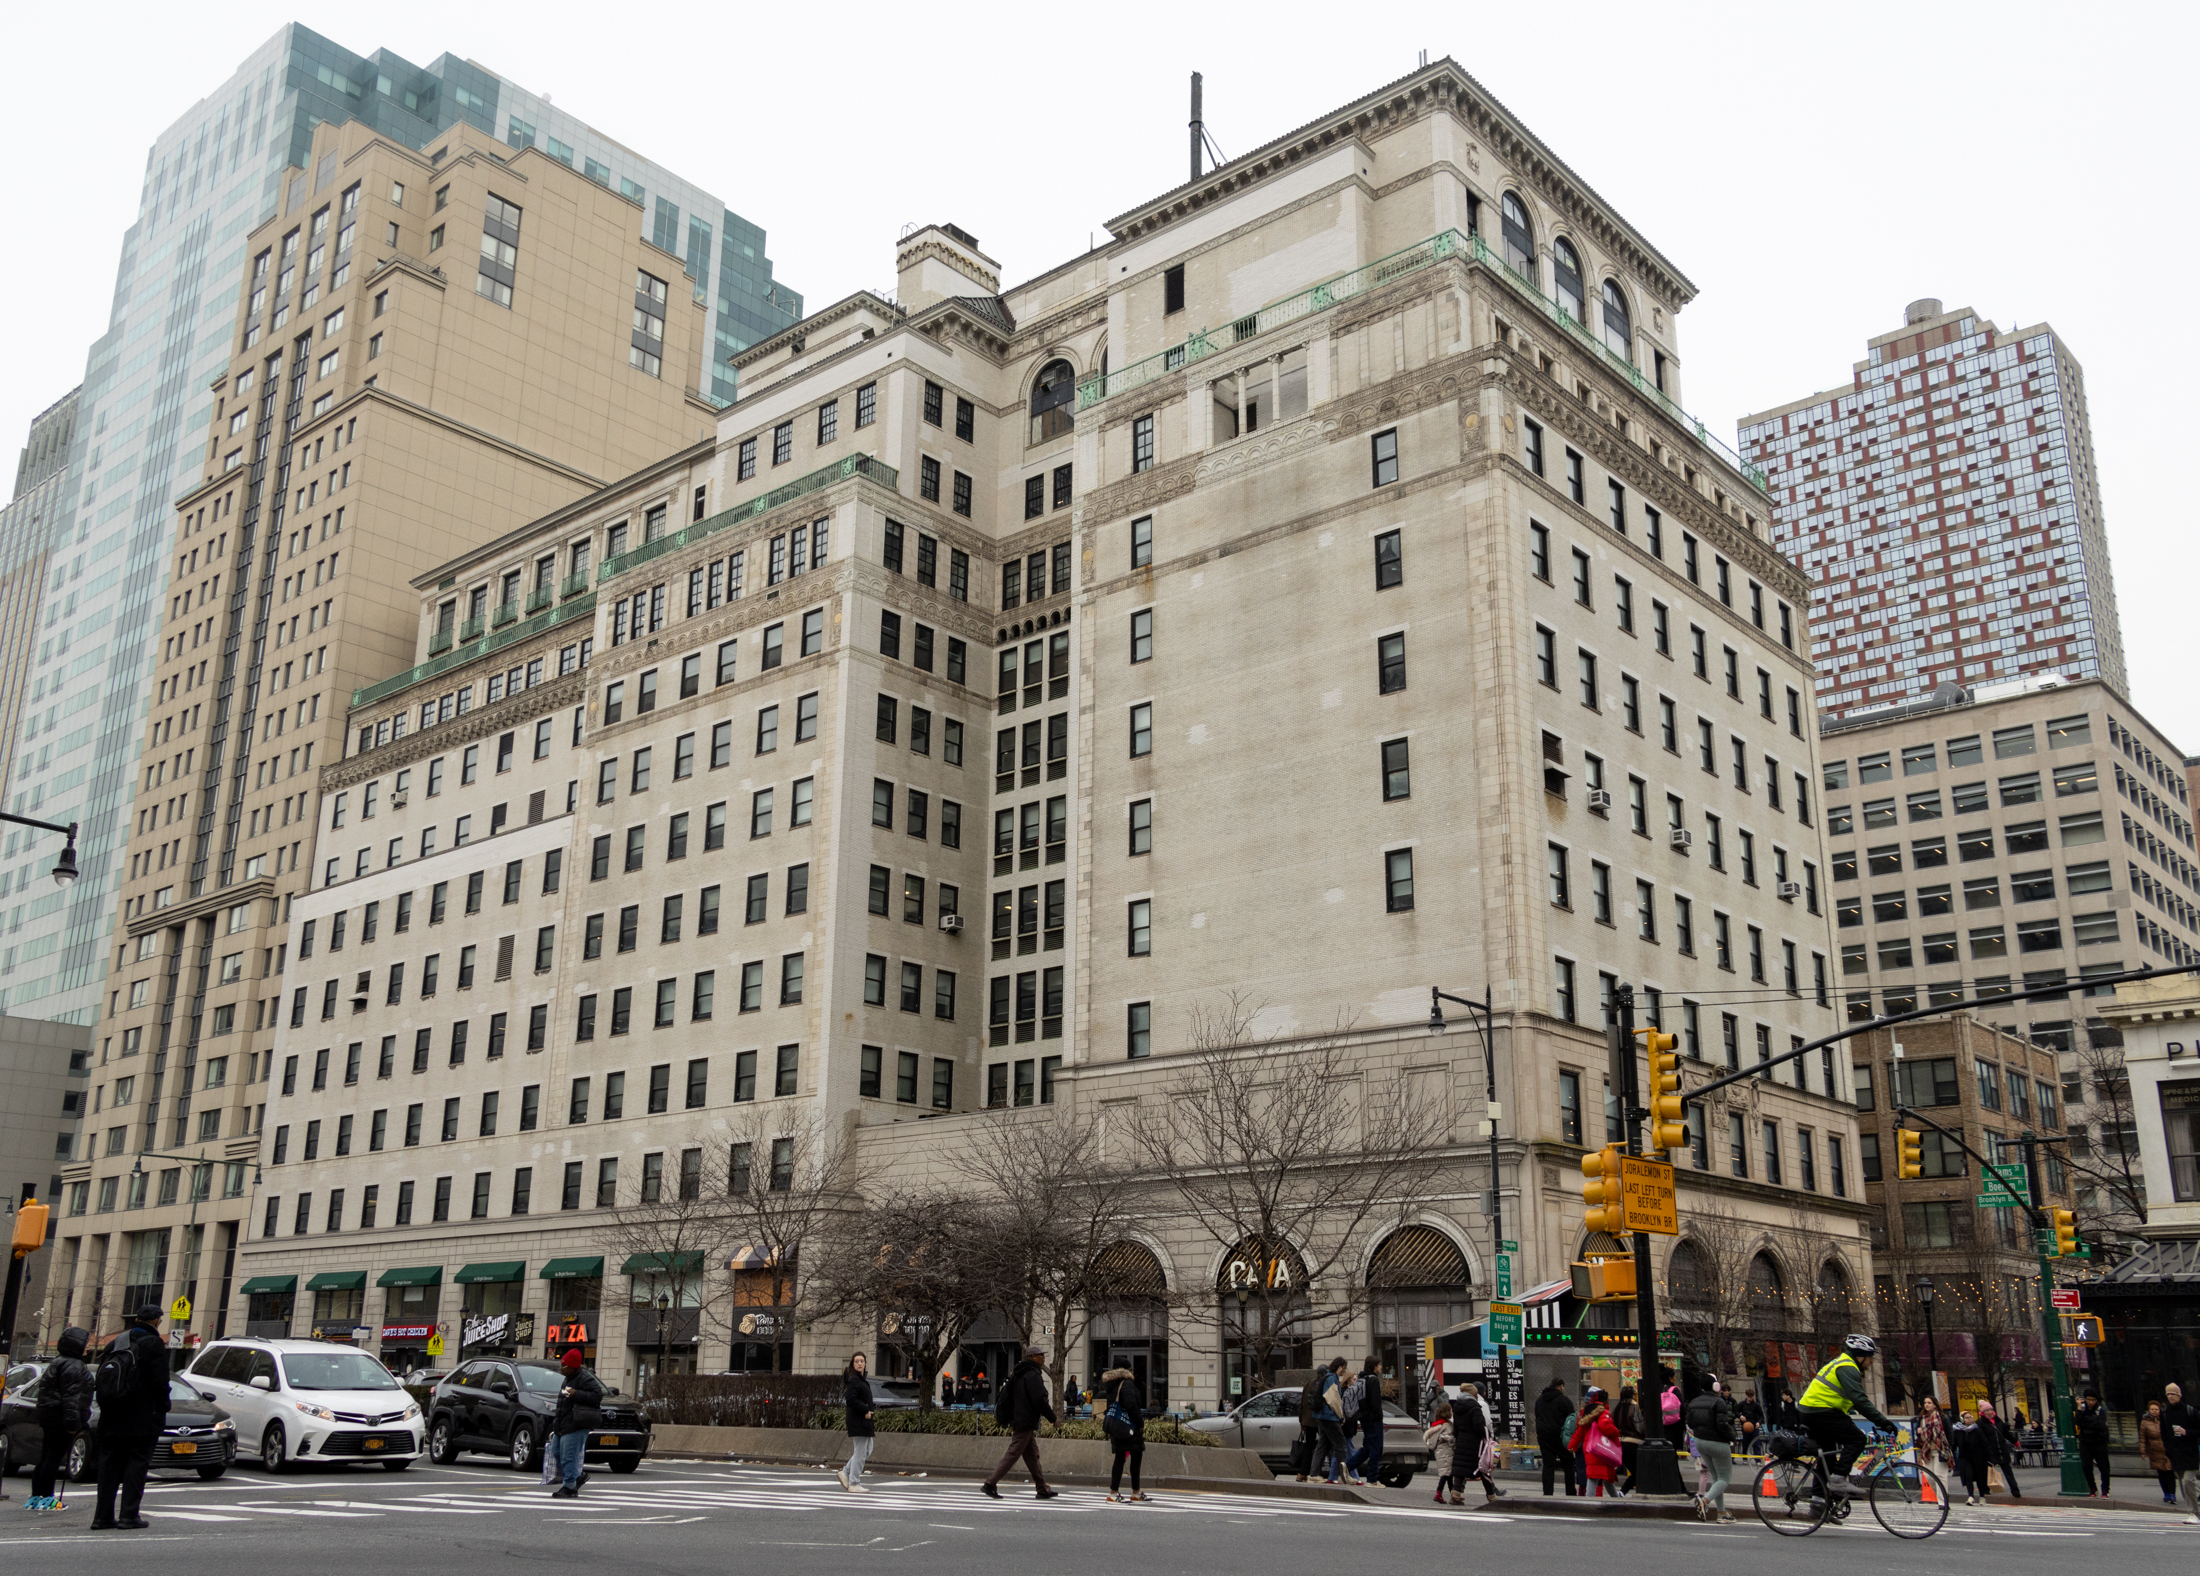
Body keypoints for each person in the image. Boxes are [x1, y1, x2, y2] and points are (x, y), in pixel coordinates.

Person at [89, 1305, 169, 1531]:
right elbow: (160, 1381)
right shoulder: (153, 1344)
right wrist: (163, 1406)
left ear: (136, 1319)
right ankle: (128, 1516)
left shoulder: (117, 1342)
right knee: (136, 1465)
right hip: (141, 1417)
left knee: (109, 1466)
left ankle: (102, 1517)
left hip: (112, 1415)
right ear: (156, 1321)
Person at [1795, 1334, 1895, 1494]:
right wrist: (1883, 1421)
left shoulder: (1843, 1363)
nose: (1871, 1361)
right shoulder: (1848, 1368)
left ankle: (1818, 1503)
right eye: (1870, 1357)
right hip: (1819, 1410)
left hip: (1812, 1410)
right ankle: (1839, 1478)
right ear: (1860, 1355)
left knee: (1827, 1457)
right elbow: (1860, 1400)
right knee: (1857, 1439)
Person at [979, 1345, 1058, 1500]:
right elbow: (1039, 1399)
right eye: (1040, 1355)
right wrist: (1053, 1418)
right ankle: (990, 1483)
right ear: (1033, 1357)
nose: (1043, 1357)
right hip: (1025, 1420)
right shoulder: (1032, 1374)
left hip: (1019, 1418)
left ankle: (1042, 1488)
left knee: (1032, 1456)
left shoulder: (1019, 1373)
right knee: (1013, 1453)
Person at [27, 1325, 92, 1511]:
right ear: (76, 1345)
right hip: (60, 1416)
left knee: (46, 1456)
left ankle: (36, 1497)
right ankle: (47, 1497)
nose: (87, 1347)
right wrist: (73, 1423)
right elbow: (72, 1397)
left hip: (49, 1414)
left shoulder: (58, 1362)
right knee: (53, 1458)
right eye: (85, 1344)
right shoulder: (74, 1365)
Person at [549, 1346, 602, 1498]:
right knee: (557, 1452)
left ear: (573, 1366)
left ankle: (570, 1487)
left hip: (576, 1424)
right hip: (563, 1423)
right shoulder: (568, 1377)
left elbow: (597, 1396)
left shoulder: (585, 1378)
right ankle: (577, 1476)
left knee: (568, 1456)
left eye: (564, 1366)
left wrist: (577, 1394)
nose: (561, 1369)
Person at [1683, 1375, 1737, 1523]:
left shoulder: (1694, 1402)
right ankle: (1704, 1501)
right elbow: (1722, 1424)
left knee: (1716, 1477)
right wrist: (1732, 1436)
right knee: (1724, 1479)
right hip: (1718, 1442)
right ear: (1716, 1386)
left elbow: (1691, 1423)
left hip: (1700, 1442)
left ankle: (1722, 1513)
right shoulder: (1719, 1402)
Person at [1100, 1365, 1147, 1503]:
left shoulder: (1112, 1384)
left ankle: (1116, 1492)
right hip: (1130, 1426)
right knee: (1134, 1458)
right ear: (1127, 1370)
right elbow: (1130, 1404)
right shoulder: (1126, 1383)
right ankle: (1131, 1492)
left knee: (1121, 1458)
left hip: (1119, 1425)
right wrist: (1140, 1420)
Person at [1453, 1382, 1506, 1504]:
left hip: (1461, 1441)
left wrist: (1459, 1437)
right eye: (1476, 1393)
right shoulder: (1474, 1407)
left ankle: (1455, 1494)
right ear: (1472, 1394)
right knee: (1483, 1468)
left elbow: (1455, 1428)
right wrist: (1486, 1433)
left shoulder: (1457, 1407)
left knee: (1460, 1469)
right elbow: (1478, 1426)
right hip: (1474, 1443)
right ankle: (1491, 1495)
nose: (1477, 1396)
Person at [2162, 1381, 2200, 1521]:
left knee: (2188, 1482)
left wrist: (2186, 1432)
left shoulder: (2190, 1411)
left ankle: (2193, 1513)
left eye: (2173, 1394)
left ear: (2179, 1395)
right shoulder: (2165, 1413)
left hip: (2190, 1453)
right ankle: (2194, 1510)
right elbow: (2164, 1434)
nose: (2171, 1397)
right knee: (2183, 1485)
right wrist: (2168, 1450)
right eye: (2168, 1394)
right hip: (2175, 1454)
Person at [1534, 1377, 1578, 1497]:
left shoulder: (1540, 1400)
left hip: (1544, 1437)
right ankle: (1570, 1492)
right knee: (1568, 1463)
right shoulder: (1564, 1400)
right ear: (1561, 1387)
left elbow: (1537, 1417)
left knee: (1548, 1465)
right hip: (1560, 1437)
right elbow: (1571, 1420)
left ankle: (1547, 1493)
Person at [1312, 1358, 1353, 1485]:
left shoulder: (1328, 1377)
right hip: (1329, 1417)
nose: (1344, 1372)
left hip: (1322, 1416)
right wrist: (1341, 1417)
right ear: (1339, 1367)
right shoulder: (1332, 1379)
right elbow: (1334, 1401)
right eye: (1344, 1368)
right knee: (1341, 1446)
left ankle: (1313, 1474)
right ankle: (1343, 1476)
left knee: (1322, 1445)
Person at [1346, 1358, 1385, 1487]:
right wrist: (1379, 1415)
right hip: (1373, 1419)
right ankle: (1372, 1479)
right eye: (1379, 1365)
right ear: (1374, 1367)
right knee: (1376, 1448)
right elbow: (1375, 1403)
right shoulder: (1373, 1380)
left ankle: (1347, 1466)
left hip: (1364, 1418)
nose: (1380, 1367)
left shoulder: (1362, 1379)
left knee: (1368, 1447)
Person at [839, 1352, 875, 1492]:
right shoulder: (854, 1380)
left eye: (862, 1361)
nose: (859, 1363)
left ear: (865, 1363)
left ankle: (846, 1472)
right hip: (858, 1420)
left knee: (867, 1450)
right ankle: (854, 1483)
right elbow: (850, 1399)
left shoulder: (860, 1379)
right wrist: (865, 1410)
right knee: (860, 1451)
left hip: (864, 1420)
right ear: (853, 1364)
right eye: (856, 1361)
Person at [1580, 1388, 1620, 1498]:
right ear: (1605, 1400)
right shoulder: (1603, 1412)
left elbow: (1579, 1430)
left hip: (1591, 1447)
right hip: (1600, 1448)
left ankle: (1615, 1500)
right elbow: (1605, 1426)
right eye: (1608, 1399)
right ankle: (1590, 1503)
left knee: (1603, 1476)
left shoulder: (1588, 1411)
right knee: (1595, 1476)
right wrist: (1616, 1432)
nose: (1610, 1401)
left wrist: (1572, 1445)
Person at [1977, 1401, 2021, 1499]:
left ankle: (2015, 1490)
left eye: (1990, 1410)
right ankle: (1985, 1490)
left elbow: (2007, 1433)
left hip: (2002, 1450)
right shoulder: (1980, 1423)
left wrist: (2016, 1442)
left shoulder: (1998, 1421)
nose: (1989, 1412)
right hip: (1990, 1452)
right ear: (1983, 1412)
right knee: (1988, 1473)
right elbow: (1981, 1439)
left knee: (2008, 1472)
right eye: (1987, 1410)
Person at [2074, 1390, 2111, 1498]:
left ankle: (2105, 1489)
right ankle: (2092, 1488)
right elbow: (2077, 1422)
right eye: (2088, 1399)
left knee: (2104, 1467)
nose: (2091, 1402)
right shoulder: (2082, 1409)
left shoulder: (2100, 1410)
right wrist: (2079, 1407)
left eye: (2093, 1400)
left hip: (2099, 1442)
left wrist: (2086, 1424)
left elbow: (2100, 1425)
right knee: (2086, 1467)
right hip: (2085, 1443)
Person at [1613, 1383, 1646, 1495]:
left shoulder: (1617, 1409)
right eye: (1635, 1394)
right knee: (1640, 1472)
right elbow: (1640, 1428)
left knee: (1635, 1471)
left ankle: (1625, 1491)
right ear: (1632, 1396)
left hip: (1620, 1443)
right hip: (1633, 1443)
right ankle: (1623, 1491)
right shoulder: (1635, 1408)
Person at [2141, 1399, 2174, 1505]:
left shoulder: (2165, 1419)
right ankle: (2166, 1493)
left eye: (2156, 1409)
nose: (2155, 1411)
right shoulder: (2145, 1422)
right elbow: (2142, 1438)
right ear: (2149, 1410)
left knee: (2170, 1472)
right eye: (2152, 1409)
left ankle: (2172, 1494)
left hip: (2166, 1450)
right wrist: (2143, 1451)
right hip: (2155, 1451)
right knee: (2161, 1473)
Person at [1424, 1400, 1456, 1506]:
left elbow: (1429, 1438)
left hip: (1440, 1452)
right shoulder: (1446, 1425)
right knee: (1446, 1474)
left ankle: (1453, 1494)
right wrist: (1453, 1443)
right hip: (1447, 1452)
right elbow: (1449, 1438)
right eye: (1450, 1410)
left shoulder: (1437, 1425)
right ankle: (1439, 1493)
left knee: (1448, 1474)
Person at [1912, 1395, 1951, 1481]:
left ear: (1935, 1405)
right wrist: (1918, 1431)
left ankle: (1942, 1495)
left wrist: (1949, 1449)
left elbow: (1950, 1434)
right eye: (1925, 1403)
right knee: (1928, 1477)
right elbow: (1919, 1435)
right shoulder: (1921, 1418)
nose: (1926, 1405)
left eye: (1929, 1403)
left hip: (1940, 1449)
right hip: (1927, 1450)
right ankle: (1937, 1494)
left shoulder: (1942, 1417)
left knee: (1939, 1476)